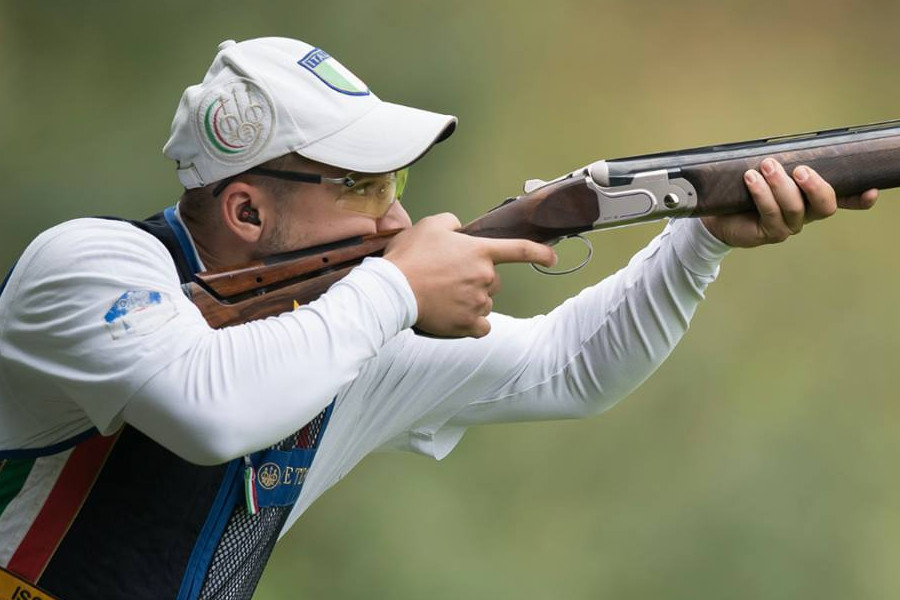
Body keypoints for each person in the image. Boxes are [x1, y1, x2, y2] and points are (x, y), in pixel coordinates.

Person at [0, 37, 877, 600]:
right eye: (363, 186)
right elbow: (208, 409)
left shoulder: (335, 331)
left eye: (397, 186)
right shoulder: (85, 267)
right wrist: (396, 292)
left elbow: (572, 369)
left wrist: (698, 238)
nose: (395, 222)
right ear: (244, 212)